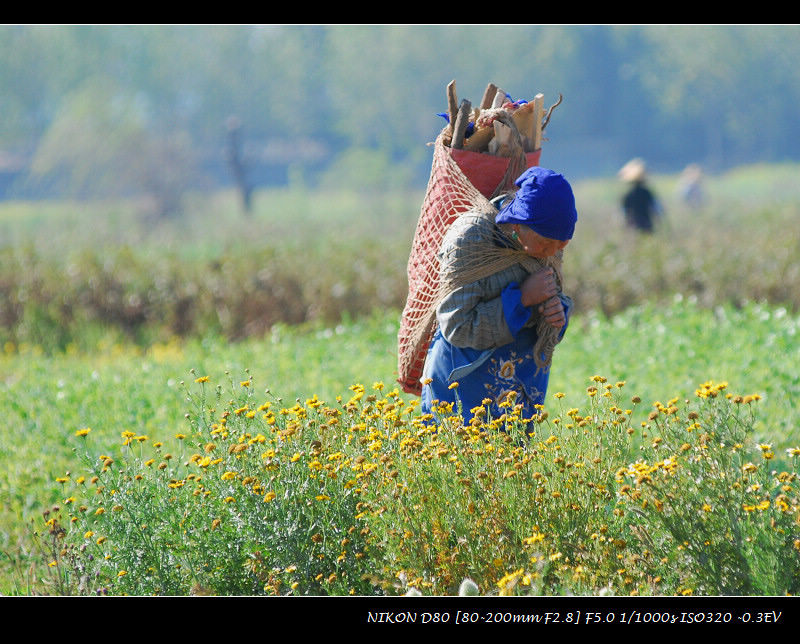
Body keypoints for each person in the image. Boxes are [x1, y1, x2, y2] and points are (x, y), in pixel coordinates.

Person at [420, 166, 577, 427]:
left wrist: (555, 314)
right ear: (518, 223)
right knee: (458, 459)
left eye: (561, 245)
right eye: (546, 243)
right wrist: (523, 298)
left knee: (512, 463)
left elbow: (551, 303)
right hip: (462, 384)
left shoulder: (549, 243)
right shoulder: (471, 239)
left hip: (518, 387)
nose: (551, 252)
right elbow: (457, 327)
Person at [618, 158, 662, 233]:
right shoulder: (646, 192)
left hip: (632, 226)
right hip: (647, 224)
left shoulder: (628, 195)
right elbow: (656, 208)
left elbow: (624, 212)